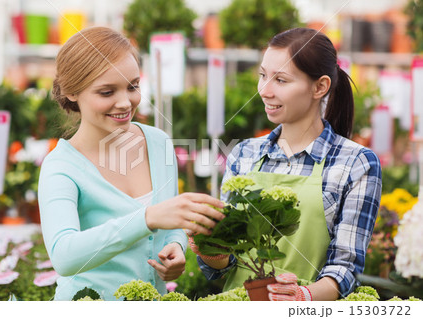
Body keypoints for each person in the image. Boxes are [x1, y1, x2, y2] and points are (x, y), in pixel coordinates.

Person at [191, 28, 382, 301]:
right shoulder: (243, 155)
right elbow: (225, 267)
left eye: (280, 80)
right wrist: (213, 251)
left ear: (320, 87)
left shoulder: (356, 163)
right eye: (263, 75)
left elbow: (345, 268)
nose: (265, 91)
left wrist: (301, 298)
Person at [38, 26, 225, 301]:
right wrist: (147, 218)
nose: (125, 102)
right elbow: (64, 256)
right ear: (72, 92)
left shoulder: (158, 142)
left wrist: (175, 245)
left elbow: (171, 222)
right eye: (106, 92)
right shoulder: (61, 167)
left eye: (133, 86)